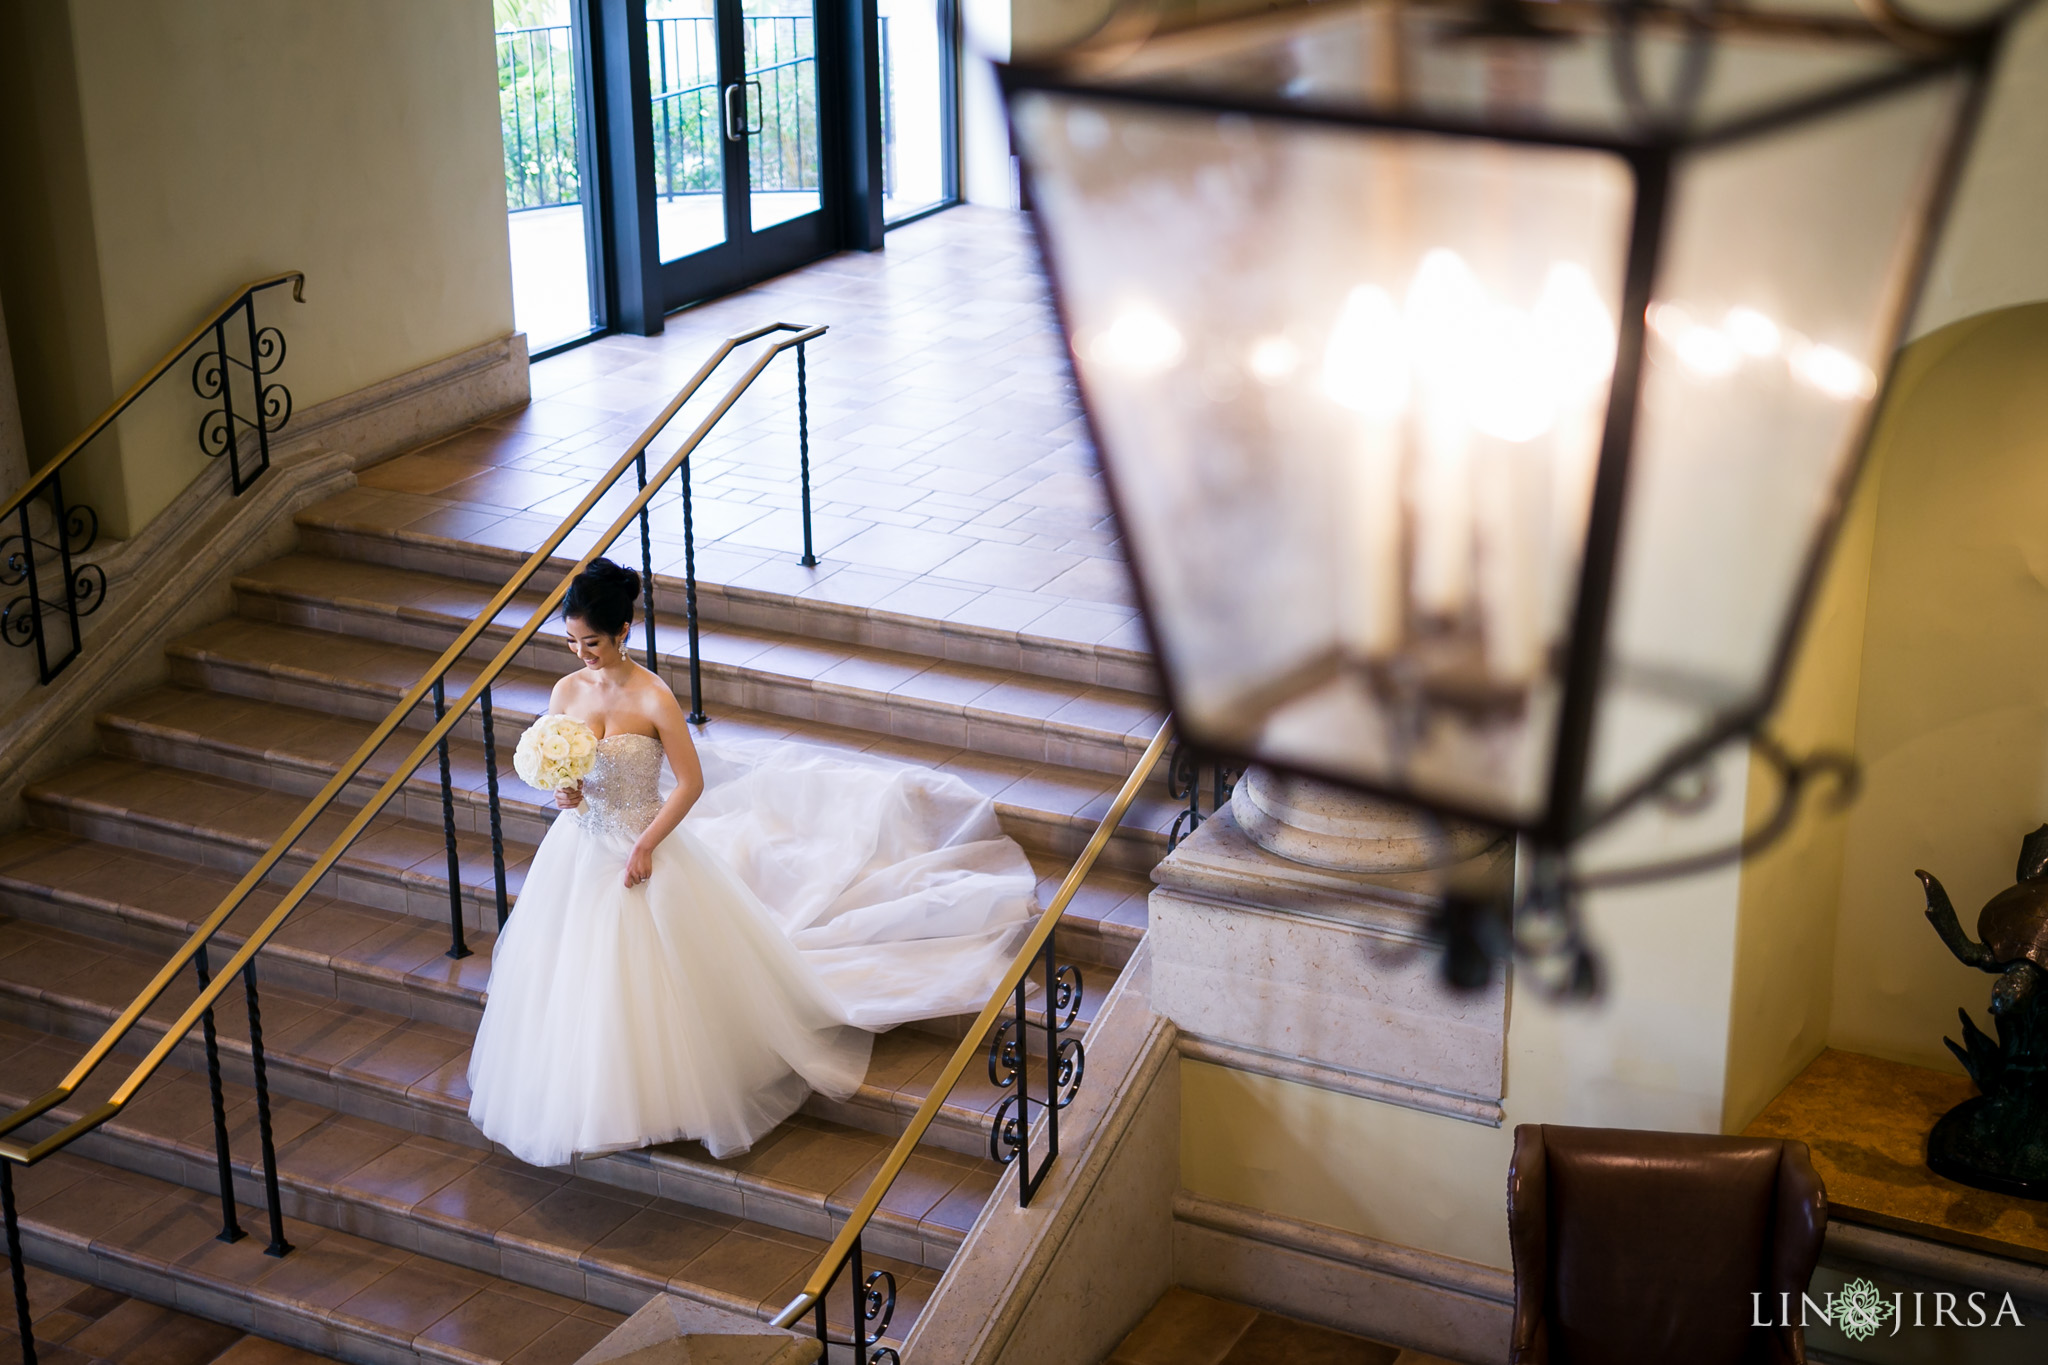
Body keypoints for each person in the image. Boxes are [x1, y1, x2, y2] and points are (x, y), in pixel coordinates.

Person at [466, 559, 1036, 1166]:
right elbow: (571, 772)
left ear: (624, 630)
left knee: (658, 973)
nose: (583, 654)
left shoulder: (653, 696)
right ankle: (580, 1094)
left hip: (645, 841)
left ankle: (672, 1093)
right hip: (581, 846)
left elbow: (689, 784)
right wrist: (567, 792)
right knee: (573, 971)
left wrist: (645, 844)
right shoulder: (567, 691)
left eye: (594, 642)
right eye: (573, 642)